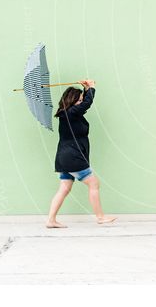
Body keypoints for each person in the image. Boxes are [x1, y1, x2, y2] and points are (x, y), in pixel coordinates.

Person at [46, 78, 116, 228]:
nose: (81, 102)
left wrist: (85, 90)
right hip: (73, 157)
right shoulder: (70, 113)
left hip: (65, 158)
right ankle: (100, 217)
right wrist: (91, 88)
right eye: (78, 100)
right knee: (94, 183)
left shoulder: (68, 114)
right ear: (72, 101)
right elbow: (86, 104)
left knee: (64, 188)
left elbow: (83, 106)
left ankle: (51, 220)